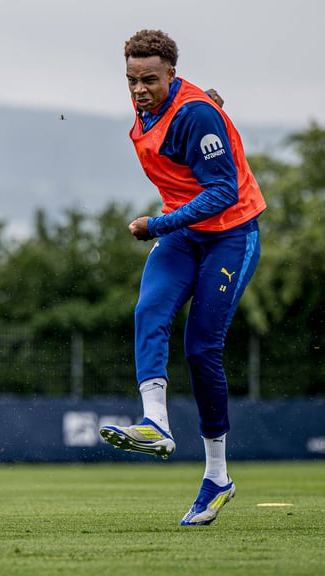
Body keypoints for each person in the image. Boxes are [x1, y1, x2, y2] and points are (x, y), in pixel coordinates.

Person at [98, 29, 265, 527]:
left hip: (230, 235)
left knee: (200, 348)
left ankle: (217, 477)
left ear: (172, 72)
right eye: (131, 79)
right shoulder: (155, 103)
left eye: (150, 79)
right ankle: (156, 424)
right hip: (185, 232)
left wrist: (157, 224)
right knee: (148, 309)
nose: (138, 89)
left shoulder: (193, 112)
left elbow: (223, 193)